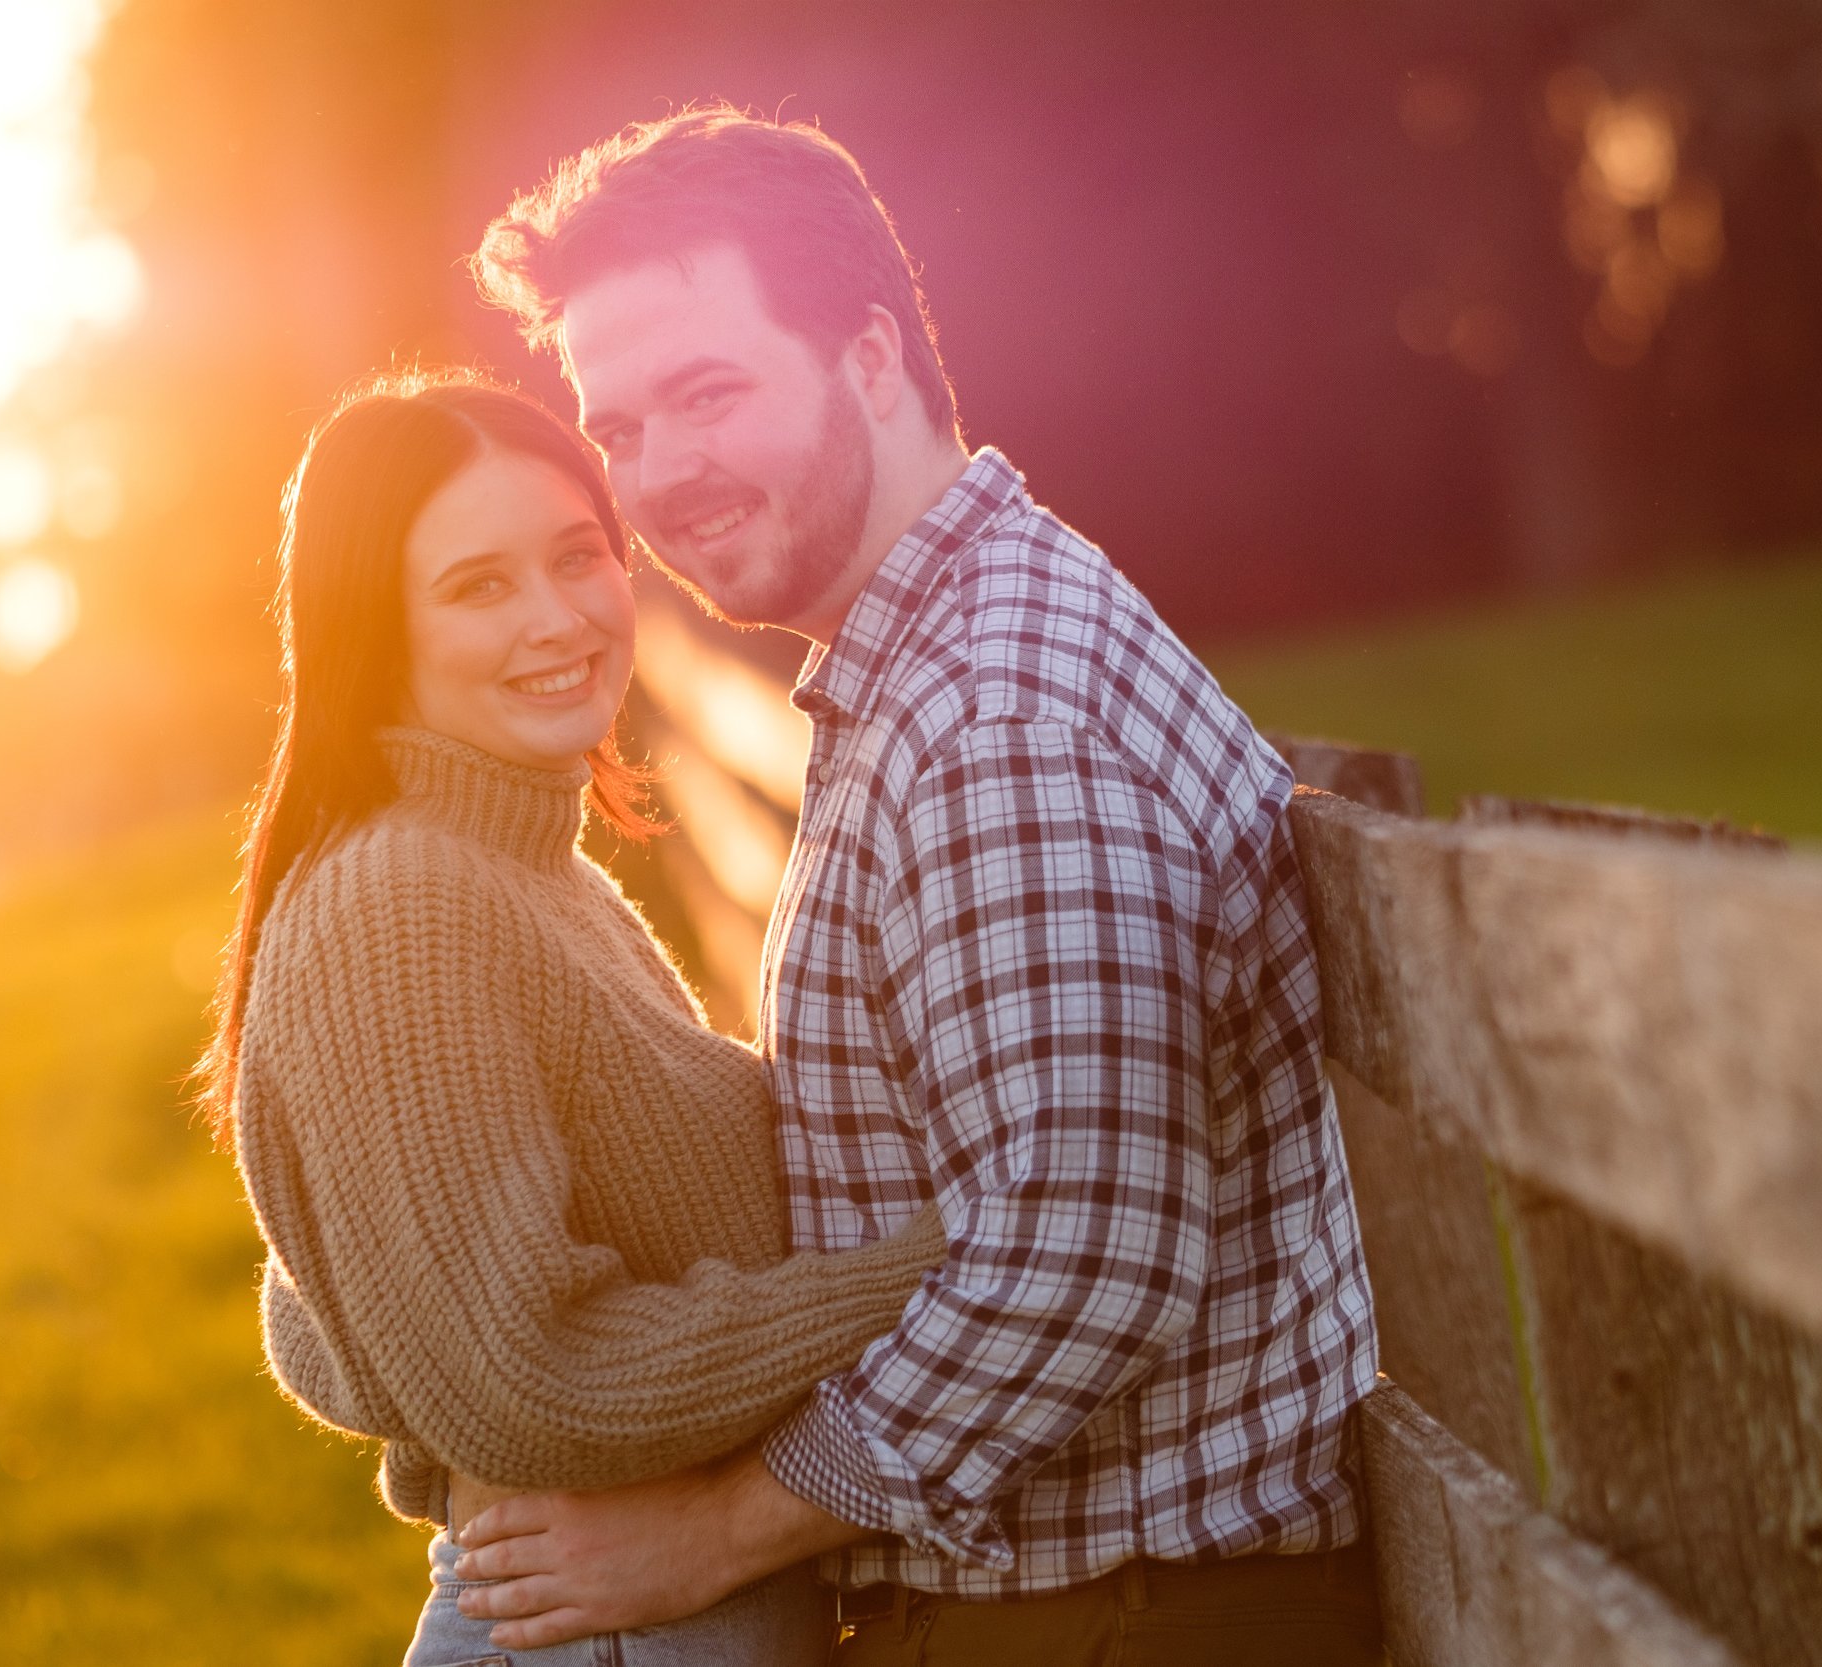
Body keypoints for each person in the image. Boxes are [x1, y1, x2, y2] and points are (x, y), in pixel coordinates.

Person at [446, 110, 1384, 1666]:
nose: (659, 474)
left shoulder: (993, 719)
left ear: (869, 359)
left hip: (1122, 1623)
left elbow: (1081, 1256)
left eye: (707, 392)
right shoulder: (925, 669)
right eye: (618, 429)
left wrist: (715, 1533)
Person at [196, 369, 945, 1666]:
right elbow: (527, 1383)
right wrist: (951, 1266)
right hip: (600, 1637)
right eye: (477, 585)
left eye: (578, 556)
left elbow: (367, 1297)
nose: (557, 617)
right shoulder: (403, 902)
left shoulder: (534, 881)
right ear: (375, 624)